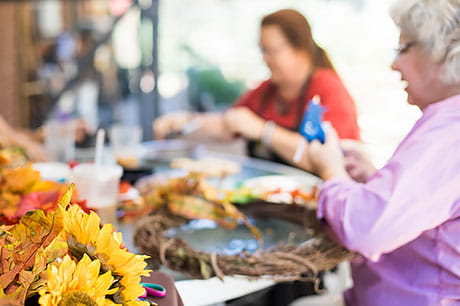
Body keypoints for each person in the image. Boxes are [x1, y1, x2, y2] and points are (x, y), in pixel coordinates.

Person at [308, 0, 460, 305]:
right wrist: (374, 178)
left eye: (403, 48)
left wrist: (332, 171)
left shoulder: (449, 131)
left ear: (443, 51)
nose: (394, 64)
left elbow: (366, 230)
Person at [153, 9, 360, 169]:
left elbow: (336, 161)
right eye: (262, 51)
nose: (265, 59)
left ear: (301, 50)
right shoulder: (268, 90)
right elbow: (229, 123)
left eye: (271, 51)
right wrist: (183, 120)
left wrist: (264, 131)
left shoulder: (328, 88)